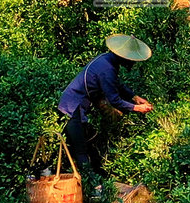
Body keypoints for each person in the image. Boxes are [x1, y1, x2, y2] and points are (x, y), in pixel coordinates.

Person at [57, 34, 155, 172]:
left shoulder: (107, 59)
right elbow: (115, 100)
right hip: (72, 108)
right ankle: (92, 186)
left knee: (91, 146)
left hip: (78, 106)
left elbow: (117, 84)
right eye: (132, 60)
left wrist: (134, 97)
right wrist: (137, 108)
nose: (133, 63)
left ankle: (99, 181)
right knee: (81, 150)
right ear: (124, 57)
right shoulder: (107, 69)